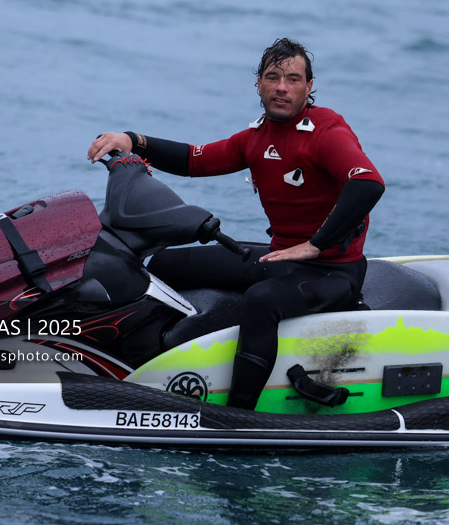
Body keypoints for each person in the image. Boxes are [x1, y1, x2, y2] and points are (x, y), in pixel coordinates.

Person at [87, 38, 385, 409]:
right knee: (164, 263)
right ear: (258, 84)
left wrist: (317, 245)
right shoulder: (256, 138)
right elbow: (194, 160)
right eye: (273, 77)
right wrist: (132, 140)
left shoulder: (325, 133)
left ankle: (238, 414)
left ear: (309, 87)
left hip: (333, 272)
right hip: (281, 259)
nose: (281, 87)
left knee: (262, 301)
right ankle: (141, 363)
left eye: (293, 79)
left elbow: (368, 183)